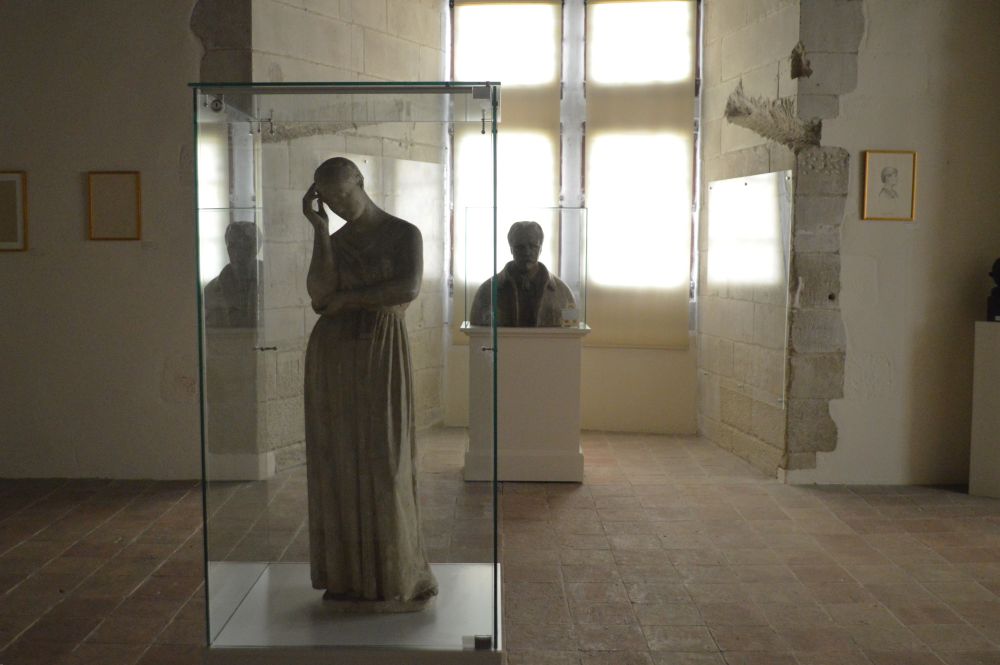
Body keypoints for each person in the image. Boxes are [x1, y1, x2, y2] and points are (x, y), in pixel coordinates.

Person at [301, 157, 437, 611]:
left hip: (381, 346)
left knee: (386, 458)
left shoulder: (403, 233)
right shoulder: (334, 239)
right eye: (329, 200)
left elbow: (408, 287)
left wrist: (349, 299)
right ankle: (348, 575)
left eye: (343, 194)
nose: (338, 206)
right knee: (338, 457)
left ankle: (397, 573)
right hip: (335, 353)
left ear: (360, 182)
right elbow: (320, 294)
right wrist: (319, 233)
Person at [469, 220, 576, 327]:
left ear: (541, 248)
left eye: (533, 246)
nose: (527, 252)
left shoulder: (564, 294)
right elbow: (478, 329)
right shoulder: (486, 292)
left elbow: (571, 331)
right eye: (520, 247)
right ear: (511, 249)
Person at [203, 221, 262, 328]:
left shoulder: (274, 284)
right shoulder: (210, 291)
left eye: (246, 245)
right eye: (234, 245)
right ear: (227, 248)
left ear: (257, 248)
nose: (239, 252)